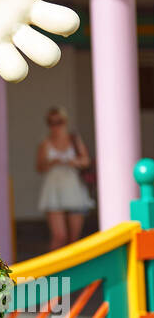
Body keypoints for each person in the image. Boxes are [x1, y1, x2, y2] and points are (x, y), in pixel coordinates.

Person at [36, 106, 93, 250]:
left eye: (59, 122)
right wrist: (51, 163)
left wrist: (74, 162)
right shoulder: (45, 143)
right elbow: (39, 167)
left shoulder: (74, 139)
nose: (55, 126)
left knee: (74, 240)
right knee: (59, 237)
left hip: (74, 190)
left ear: (65, 121)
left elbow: (86, 161)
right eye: (51, 122)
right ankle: (53, 271)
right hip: (54, 192)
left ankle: (74, 272)